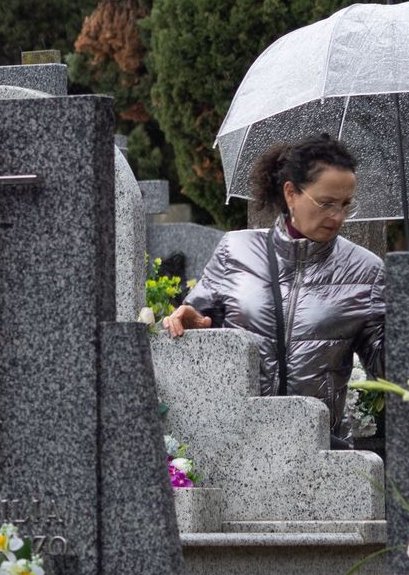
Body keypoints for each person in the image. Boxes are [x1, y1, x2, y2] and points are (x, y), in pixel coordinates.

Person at [162, 133, 385, 444]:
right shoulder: (235, 249)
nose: (337, 216)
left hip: (317, 446)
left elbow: (389, 370)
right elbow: (196, 332)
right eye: (326, 203)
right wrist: (189, 322)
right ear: (291, 193)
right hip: (233, 439)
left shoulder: (366, 269)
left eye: (346, 204)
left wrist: (405, 318)